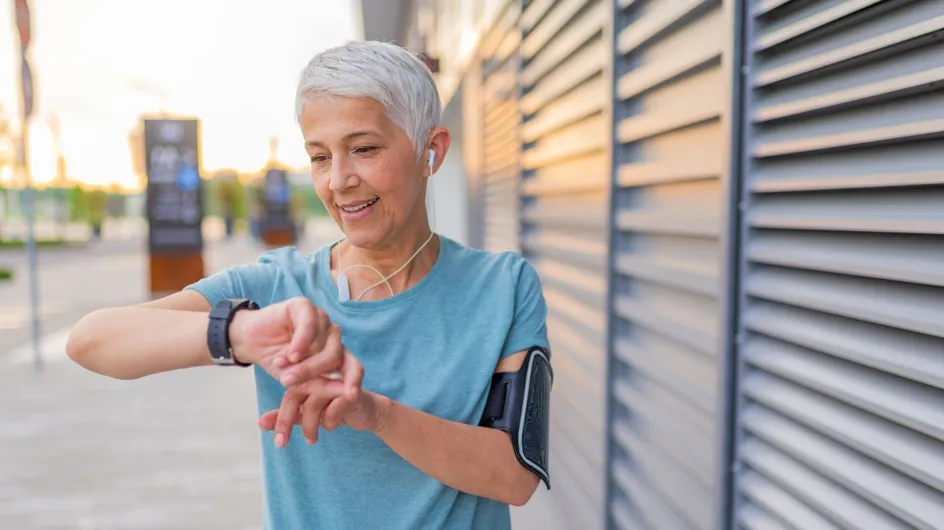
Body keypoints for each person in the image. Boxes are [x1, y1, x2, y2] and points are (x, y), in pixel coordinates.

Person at [66, 40, 552, 530]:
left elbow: (513, 476)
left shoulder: (503, 287)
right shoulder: (273, 286)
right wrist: (241, 333)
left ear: (432, 149)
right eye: (320, 157)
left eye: (363, 149)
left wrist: (375, 413)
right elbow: (91, 341)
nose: (339, 180)